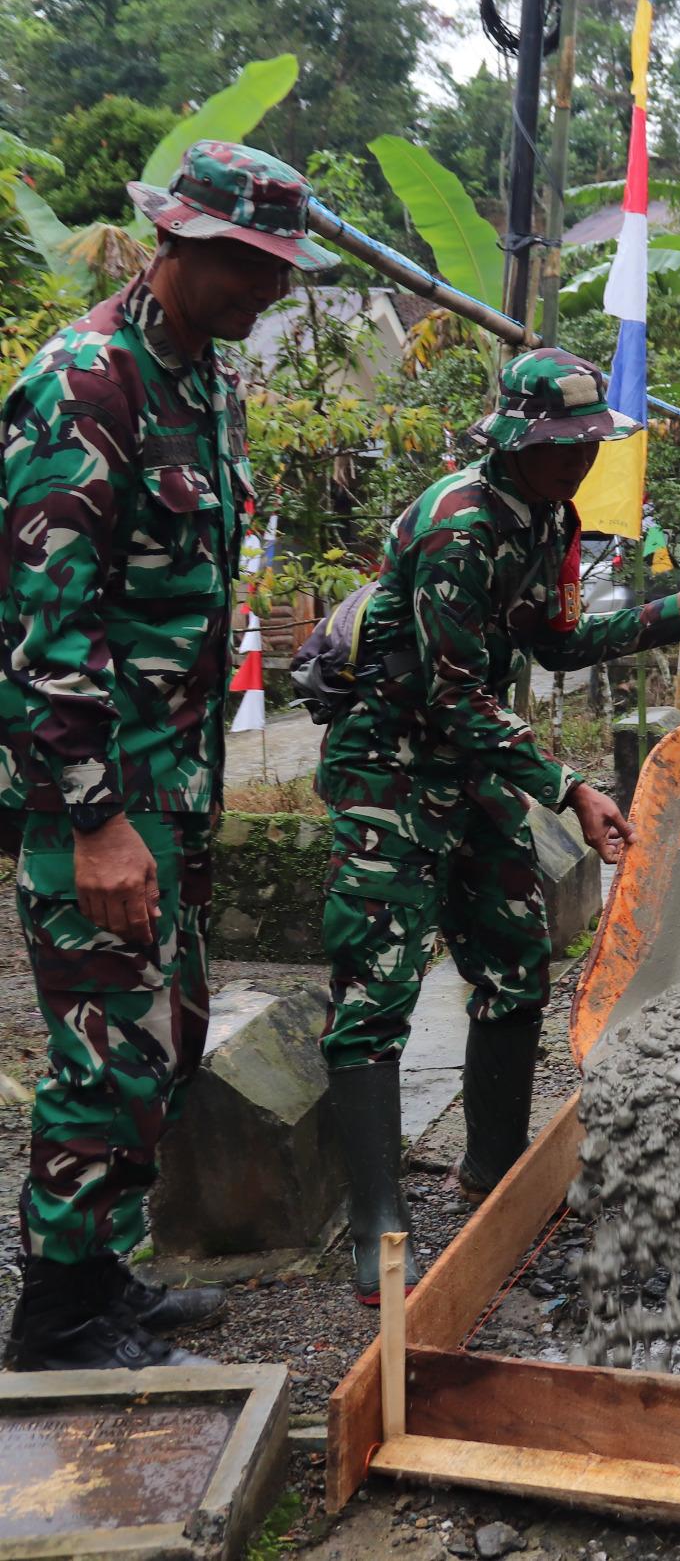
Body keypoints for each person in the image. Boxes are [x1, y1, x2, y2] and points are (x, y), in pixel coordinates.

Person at [317, 349, 680, 1305]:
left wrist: (666, 614)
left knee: (512, 961)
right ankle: (376, 1227)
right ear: (514, 441)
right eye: (560, 447)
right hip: (394, 772)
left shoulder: (551, 516)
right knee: (375, 994)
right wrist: (571, 785)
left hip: (474, 773)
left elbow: (548, 640)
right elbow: (448, 691)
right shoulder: (459, 526)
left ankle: (494, 1175)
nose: (578, 462)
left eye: (588, 445)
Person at [0, 142, 321, 1370]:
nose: (268, 293)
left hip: (173, 782)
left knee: (164, 1036)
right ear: (182, 243)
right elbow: (45, 630)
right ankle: (58, 1323)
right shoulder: (87, 383)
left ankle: (102, 1272)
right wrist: (92, 821)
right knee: (104, 1049)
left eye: (281, 272)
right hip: (100, 795)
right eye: (249, 266)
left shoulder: (201, 377)